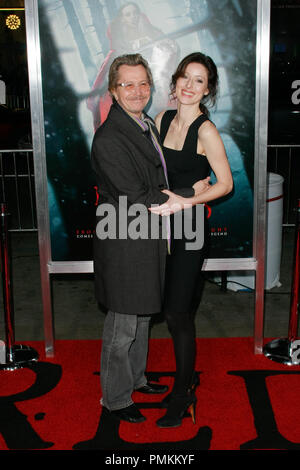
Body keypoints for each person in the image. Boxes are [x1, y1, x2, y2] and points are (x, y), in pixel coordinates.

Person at [91, 53, 197, 424]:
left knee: (140, 318)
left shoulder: (144, 123)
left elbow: (156, 180)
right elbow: (136, 195)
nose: (137, 91)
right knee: (122, 325)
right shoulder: (110, 138)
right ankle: (115, 398)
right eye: (127, 84)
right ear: (113, 90)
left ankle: (136, 379)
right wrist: (191, 192)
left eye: (143, 83)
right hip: (124, 242)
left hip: (148, 237)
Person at [150, 52, 233, 428]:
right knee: (163, 306)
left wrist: (190, 198)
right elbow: (152, 172)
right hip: (159, 227)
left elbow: (226, 183)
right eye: (185, 76)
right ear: (176, 81)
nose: (189, 85)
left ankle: (183, 393)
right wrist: (183, 189)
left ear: (208, 89)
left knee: (177, 313)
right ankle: (183, 380)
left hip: (191, 229)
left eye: (198, 80)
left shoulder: (206, 131)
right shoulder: (162, 119)